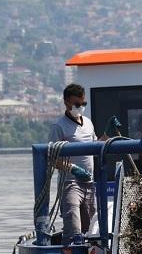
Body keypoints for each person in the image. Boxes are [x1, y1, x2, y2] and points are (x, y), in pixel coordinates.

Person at [49, 84, 118, 244]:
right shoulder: (59, 126)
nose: (80, 107)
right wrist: (74, 169)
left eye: (83, 104)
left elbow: (96, 147)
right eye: (77, 104)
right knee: (73, 227)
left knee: (90, 230)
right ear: (66, 103)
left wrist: (108, 133)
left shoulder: (88, 123)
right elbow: (53, 158)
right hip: (70, 183)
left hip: (89, 183)